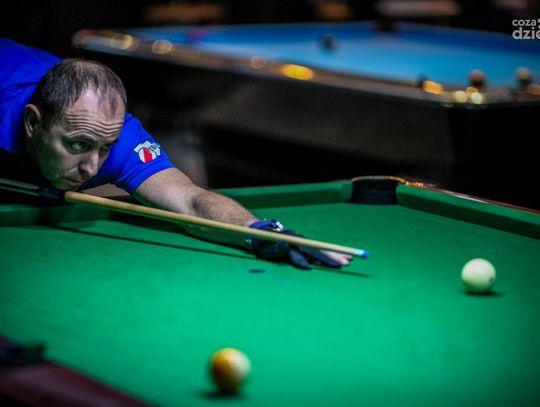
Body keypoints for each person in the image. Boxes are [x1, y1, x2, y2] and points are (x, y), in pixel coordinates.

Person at [0, 38, 352, 270]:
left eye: (104, 148)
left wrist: (260, 231)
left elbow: (190, 201)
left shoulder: (119, 140)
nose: (92, 168)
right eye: (77, 145)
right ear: (33, 123)